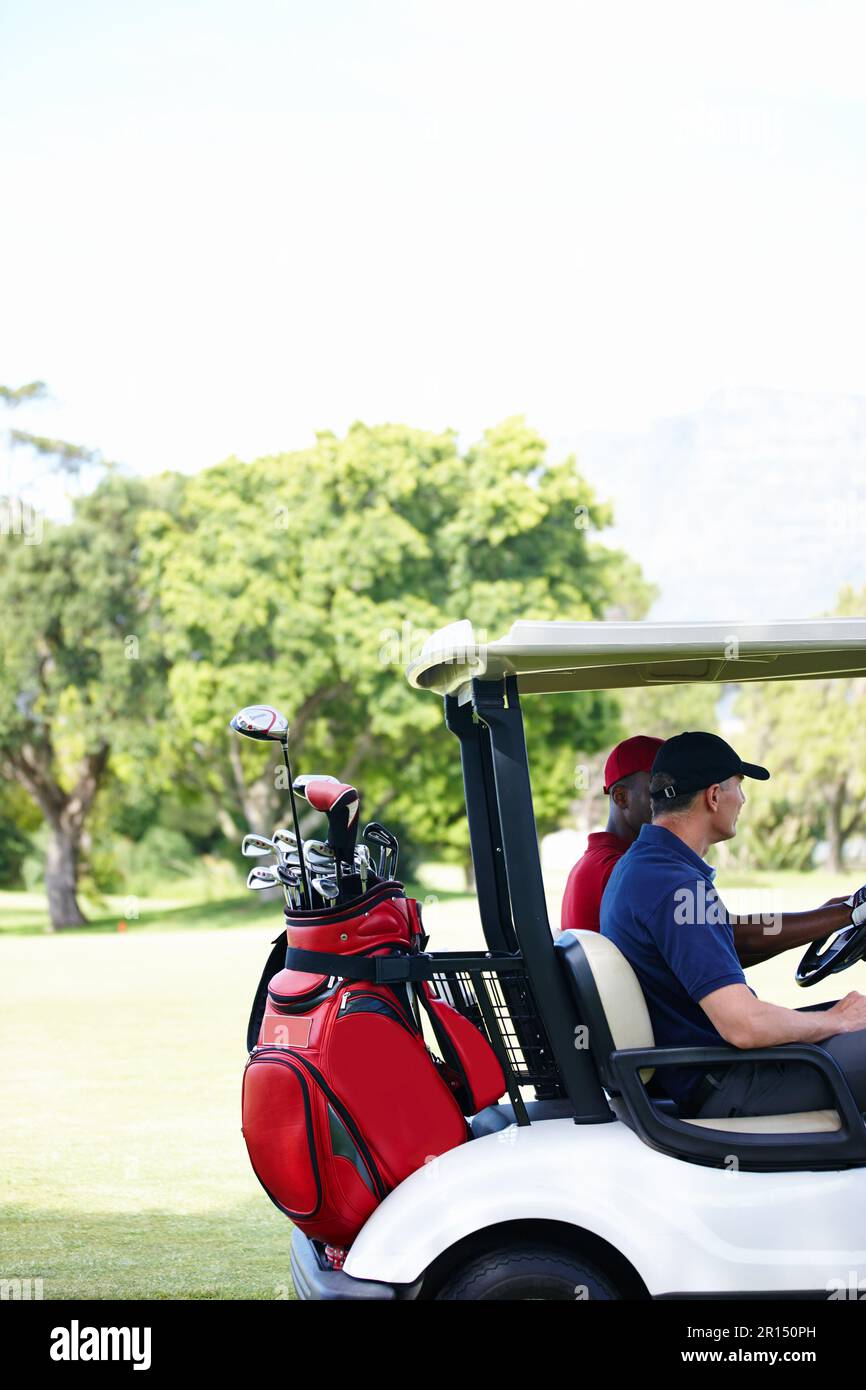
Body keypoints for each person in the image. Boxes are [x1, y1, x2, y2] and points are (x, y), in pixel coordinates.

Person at [600, 731, 866, 1119]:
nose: (741, 801)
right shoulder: (675, 886)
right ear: (713, 796)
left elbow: (726, 941)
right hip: (734, 1082)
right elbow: (743, 1026)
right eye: (739, 789)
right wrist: (838, 1020)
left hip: (717, 1070)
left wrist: (829, 918)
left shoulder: (643, 868)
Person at [560, 735, 663, 934]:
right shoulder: (621, 868)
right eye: (659, 789)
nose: (672, 798)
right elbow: (708, 945)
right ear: (621, 797)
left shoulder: (597, 862)